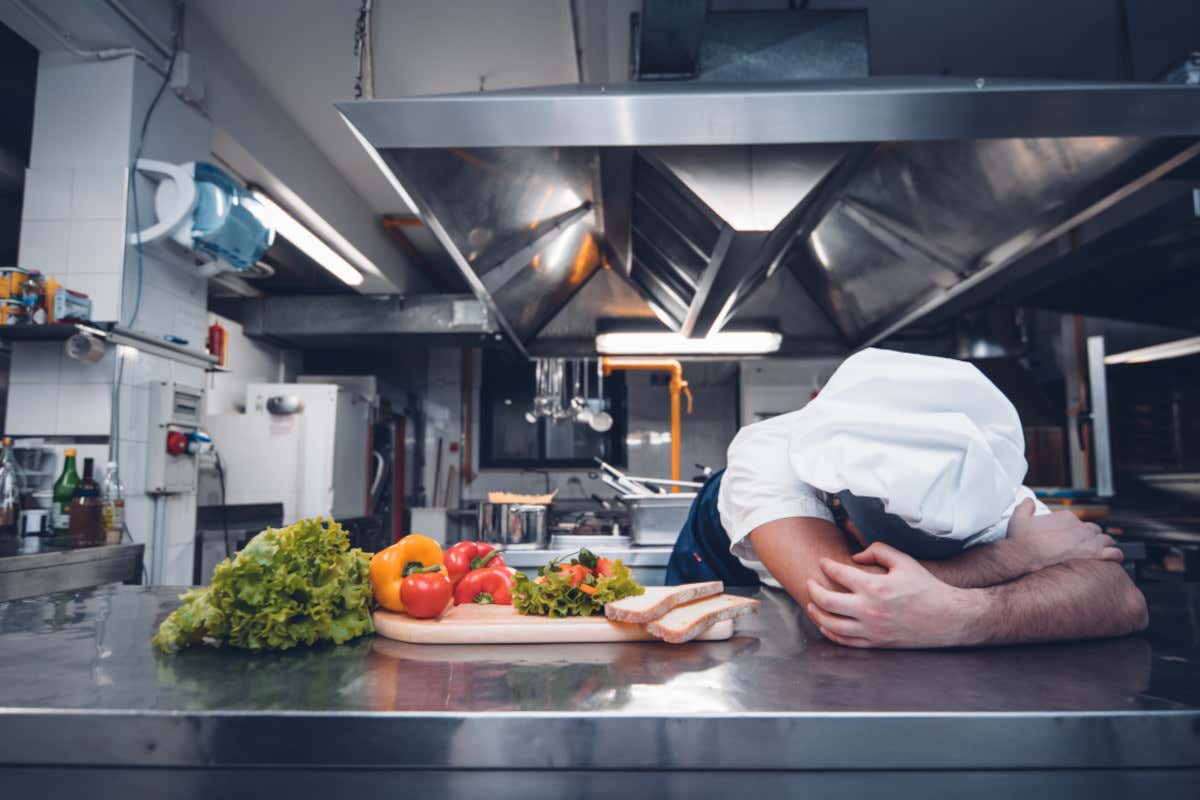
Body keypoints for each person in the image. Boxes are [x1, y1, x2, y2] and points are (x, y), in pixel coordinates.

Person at [665, 348, 1148, 649]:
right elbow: (846, 599)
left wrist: (968, 617)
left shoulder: (980, 475)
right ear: (836, 498)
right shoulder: (771, 454)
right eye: (880, 546)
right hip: (723, 598)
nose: (894, 561)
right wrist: (1015, 558)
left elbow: (1123, 599)